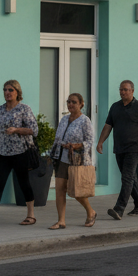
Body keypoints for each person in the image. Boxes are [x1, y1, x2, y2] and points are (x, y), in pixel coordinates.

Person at [0, 79, 38, 227]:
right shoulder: (1, 109)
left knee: (24, 183)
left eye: (11, 90)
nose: (7, 92)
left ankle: (31, 215)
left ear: (17, 92)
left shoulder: (24, 109)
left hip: (20, 152)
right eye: (5, 90)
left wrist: (16, 130)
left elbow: (34, 130)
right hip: (2, 153)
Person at [96, 80, 138, 220]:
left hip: (134, 148)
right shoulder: (115, 107)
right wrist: (100, 142)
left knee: (127, 177)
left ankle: (119, 208)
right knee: (130, 177)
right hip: (119, 148)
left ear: (132, 91)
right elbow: (108, 126)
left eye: (125, 90)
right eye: (121, 89)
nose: (122, 92)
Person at [49, 92, 96, 230]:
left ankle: (91, 212)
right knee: (59, 189)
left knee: (77, 190)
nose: (70, 104)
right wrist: (53, 153)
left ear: (81, 104)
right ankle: (61, 221)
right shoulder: (64, 119)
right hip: (62, 158)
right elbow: (57, 138)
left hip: (77, 160)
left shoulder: (85, 120)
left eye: (74, 102)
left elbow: (89, 141)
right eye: (68, 102)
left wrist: (76, 146)